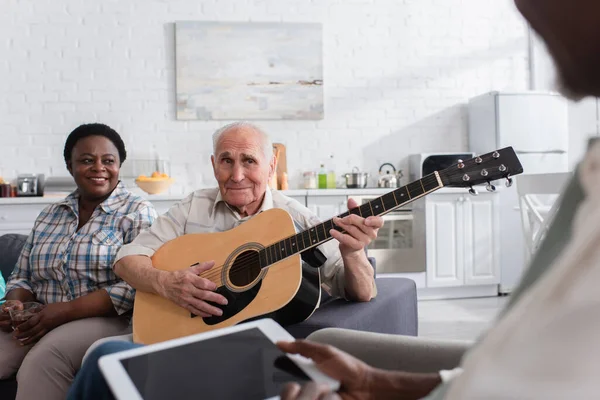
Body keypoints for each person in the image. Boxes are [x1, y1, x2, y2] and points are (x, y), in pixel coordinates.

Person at [273, 0, 600, 398]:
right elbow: (517, 370)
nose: (524, 9)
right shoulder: (590, 175)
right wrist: (375, 382)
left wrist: (354, 253)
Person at [65, 121, 383, 400]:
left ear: (272, 167)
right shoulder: (194, 207)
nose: (237, 175)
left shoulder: (297, 220)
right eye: (226, 161)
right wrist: (165, 283)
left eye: (249, 161)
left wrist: (354, 253)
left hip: (241, 353)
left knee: (105, 355)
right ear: (213, 164)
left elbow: (362, 292)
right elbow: (127, 258)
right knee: (102, 357)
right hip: (176, 332)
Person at [0, 123, 157, 400]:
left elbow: (136, 285)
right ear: (70, 166)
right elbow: (21, 274)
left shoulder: (137, 212)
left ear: (119, 166)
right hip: (41, 316)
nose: (99, 168)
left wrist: (64, 312)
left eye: (108, 161)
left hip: (111, 319)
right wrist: (14, 304)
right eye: (86, 160)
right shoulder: (50, 214)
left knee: (45, 360)